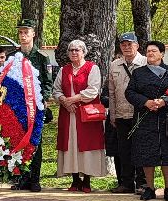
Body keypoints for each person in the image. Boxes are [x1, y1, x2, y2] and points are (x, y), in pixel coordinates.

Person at [125, 40, 168, 201]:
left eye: (154, 51)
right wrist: (146, 102)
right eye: (148, 51)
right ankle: (150, 188)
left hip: (167, 120)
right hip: (146, 119)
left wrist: (165, 101)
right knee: (147, 154)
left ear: (162, 54)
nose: (150, 53)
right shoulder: (139, 73)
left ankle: (167, 188)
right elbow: (129, 93)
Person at [53, 38, 106, 192]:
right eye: (71, 50)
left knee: (87, 145)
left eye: (77, 50)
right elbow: (56, 89)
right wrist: (64, 101)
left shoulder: (92, 68)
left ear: (84, 52)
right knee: (71, 145)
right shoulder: (64, 70)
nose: (74, 52)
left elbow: (93, 90)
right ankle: (75, 179)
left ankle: (87, 180)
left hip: (86, 115)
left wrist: (73, 99)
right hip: (68, 114)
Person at [10, 19, 54, 192]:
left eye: (26, 32)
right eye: (20, 32)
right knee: (18, 140)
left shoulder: (42, 58)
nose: (23, 35)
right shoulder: (13, 56)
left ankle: (35, 179)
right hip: (18, 107)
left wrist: (43, 100)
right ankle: (22, 178)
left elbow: (47, 83)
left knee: (35, 141)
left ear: (33, 34)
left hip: (35, 107)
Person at [106, 32, 145, 193]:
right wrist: (113, 114)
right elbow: (112, 92)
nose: (126, 47)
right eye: (123, 44)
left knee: (141, 148)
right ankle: (126, 183)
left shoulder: (145, 62)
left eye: (130, 44)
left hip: (141, 113)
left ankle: (143, 182)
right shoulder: (115, 64)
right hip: (121, 114)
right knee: (124, 150)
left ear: (137, 45)